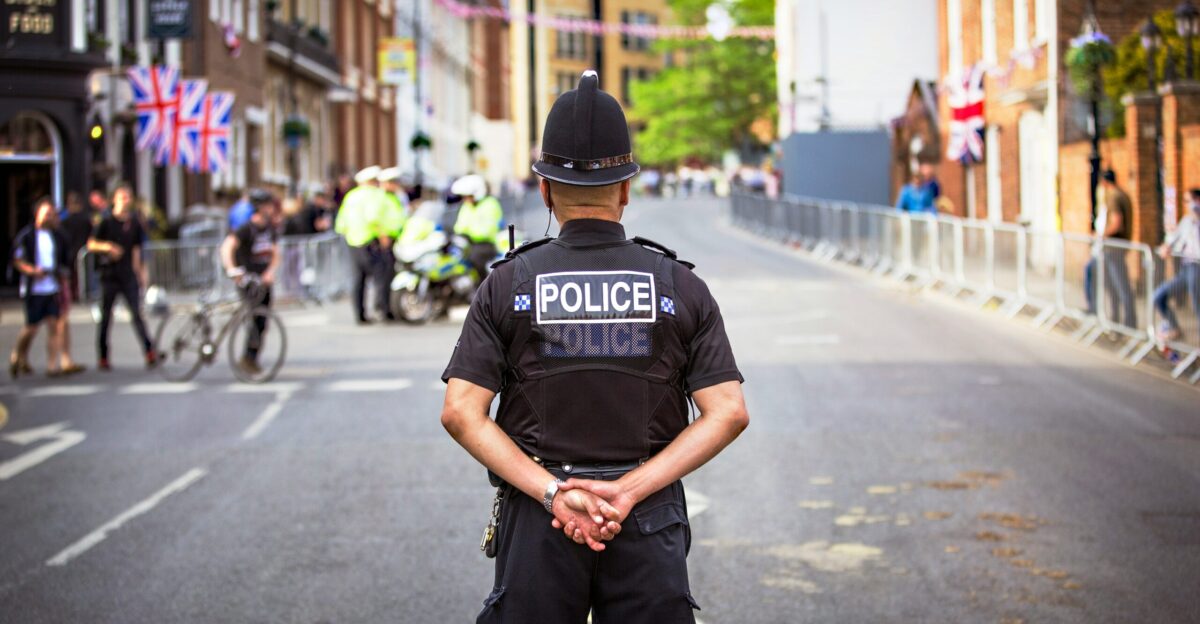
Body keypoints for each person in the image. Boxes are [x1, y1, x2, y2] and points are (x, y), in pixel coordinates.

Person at [440, 70, 749, 623]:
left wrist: (553, 492)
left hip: (539, 519)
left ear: (545, 189)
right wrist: (629, 491)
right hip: (648, 517)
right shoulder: (680, 286)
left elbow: (462, 413)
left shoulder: (508, 284)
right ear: (627, 189)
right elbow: (727, 413)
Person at [88, 183, 157, 371]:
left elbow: (136, 250)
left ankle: (150, 352)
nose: (127, 201)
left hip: (127, 274)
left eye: (129, 197)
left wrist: (141, 274)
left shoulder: (134, 222)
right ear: (115, 200)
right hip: (109, 275)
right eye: (123, 197)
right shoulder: (106, 221)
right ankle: (103, 356)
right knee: (106, 317)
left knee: (136, 314)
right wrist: (108, 248)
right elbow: (91, 244)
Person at [9, 198, 73, 378]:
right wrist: (32, 271)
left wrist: (61, 275)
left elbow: (64, 259)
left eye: (52, 214)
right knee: (31, 327)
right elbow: (17, 259)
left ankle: (52, 365)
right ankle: (18, 355)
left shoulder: (57, 236)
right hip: (33, 289)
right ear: (37, 215)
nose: (49, 217)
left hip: (51, 287)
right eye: (46, 214)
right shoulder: (27, 235)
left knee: (53, 325)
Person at [221, 190, 280, 374]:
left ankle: (251, 358)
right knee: (253, 320)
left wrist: (270, 271)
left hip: (263, 282)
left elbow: (276, 253)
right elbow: (227, 247)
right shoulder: (246, 228)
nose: (271, 209)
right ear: (260, 207)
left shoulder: (269, 229)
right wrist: (232, 270)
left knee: (262, 321)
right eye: (268, 206)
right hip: (248, 281)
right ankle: (248, 357)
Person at [335, 165, 393, 323]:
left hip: (352, 242)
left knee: (357, 279)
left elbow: (341, 223)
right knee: (381, 276)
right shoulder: (375, 195)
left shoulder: (350, 196)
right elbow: (373, 217)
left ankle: (359, 314)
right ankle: (382, 309)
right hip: (370, 241)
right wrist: (383, 237)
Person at [1084, 169, 1136, 327]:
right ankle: (1116, 320)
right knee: (1113, 285)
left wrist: (1101, 236)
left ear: (1104, 182)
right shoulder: (1123, 194)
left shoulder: (1113, 197)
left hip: (1112, 248)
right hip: (1116, 247)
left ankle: (1127, 322)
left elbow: (1116, 222)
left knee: (1119, 286)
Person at [1154, 188, 1200, 343]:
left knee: (1197, 306)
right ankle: (1174, 328)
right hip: (1185, 269)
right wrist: (1166, 247)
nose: (1187, 205)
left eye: (1189, 201)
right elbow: (1173, 239)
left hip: (1197, 267)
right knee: (1159, 296)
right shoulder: (1186, 221)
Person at [450, 174, 503, 280]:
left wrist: (469, 233)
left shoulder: (491, 204)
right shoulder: (466, 206)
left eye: (468, 196)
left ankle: (482, 286)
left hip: (485, 244)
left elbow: (488, 230)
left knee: (475, 257)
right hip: (467, 243)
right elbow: (459, 226)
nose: (465, 199)